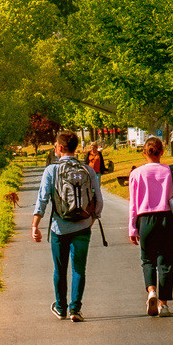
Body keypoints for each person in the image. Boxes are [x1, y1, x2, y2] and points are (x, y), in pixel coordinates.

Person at [31, 130, 103, 322]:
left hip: (59, 228)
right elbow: (99, 201)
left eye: (55, 145)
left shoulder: (51, 171)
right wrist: (90, 220)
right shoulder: (87, 170)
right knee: (79, 269)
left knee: (60, 269)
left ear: (60, 148)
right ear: (75, 148)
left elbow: (42, 199)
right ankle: (75, 309)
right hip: (83, 227)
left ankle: (61, 308)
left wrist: (35, 225)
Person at [127, 135, 173, 317]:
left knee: (148, 259)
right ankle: (163, 304)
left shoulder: (136, 174)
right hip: (168, 218)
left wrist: (132, 228)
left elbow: (133, 204)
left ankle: (151, 291)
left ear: (144, 152)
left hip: (145, 218)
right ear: (161, 151)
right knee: (167, 261)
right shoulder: (172, 171)